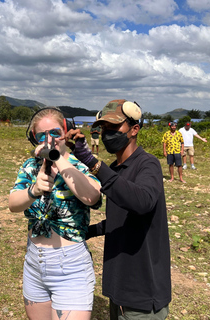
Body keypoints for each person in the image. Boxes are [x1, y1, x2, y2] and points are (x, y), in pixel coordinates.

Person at [66, 99, 171, 320]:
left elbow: (141, 202)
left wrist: (93, 163)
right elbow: (122, 218)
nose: (107, 133)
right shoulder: (116, 169)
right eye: (103, 128)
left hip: (142, 293)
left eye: (114, 127)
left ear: (134, 129)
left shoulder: (148, 164)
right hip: (120, 287)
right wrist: (90, 231)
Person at [9, 107, 102, 320]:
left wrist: (57, 158)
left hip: (70, 267)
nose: (49, 139)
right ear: (34, 139)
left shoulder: (79, 164)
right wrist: (33, 190)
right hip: (34, 263)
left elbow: (91, 197)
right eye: (42, 135)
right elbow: (13, 204)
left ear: (66, 131)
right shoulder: (29, 167)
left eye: (55, 133)